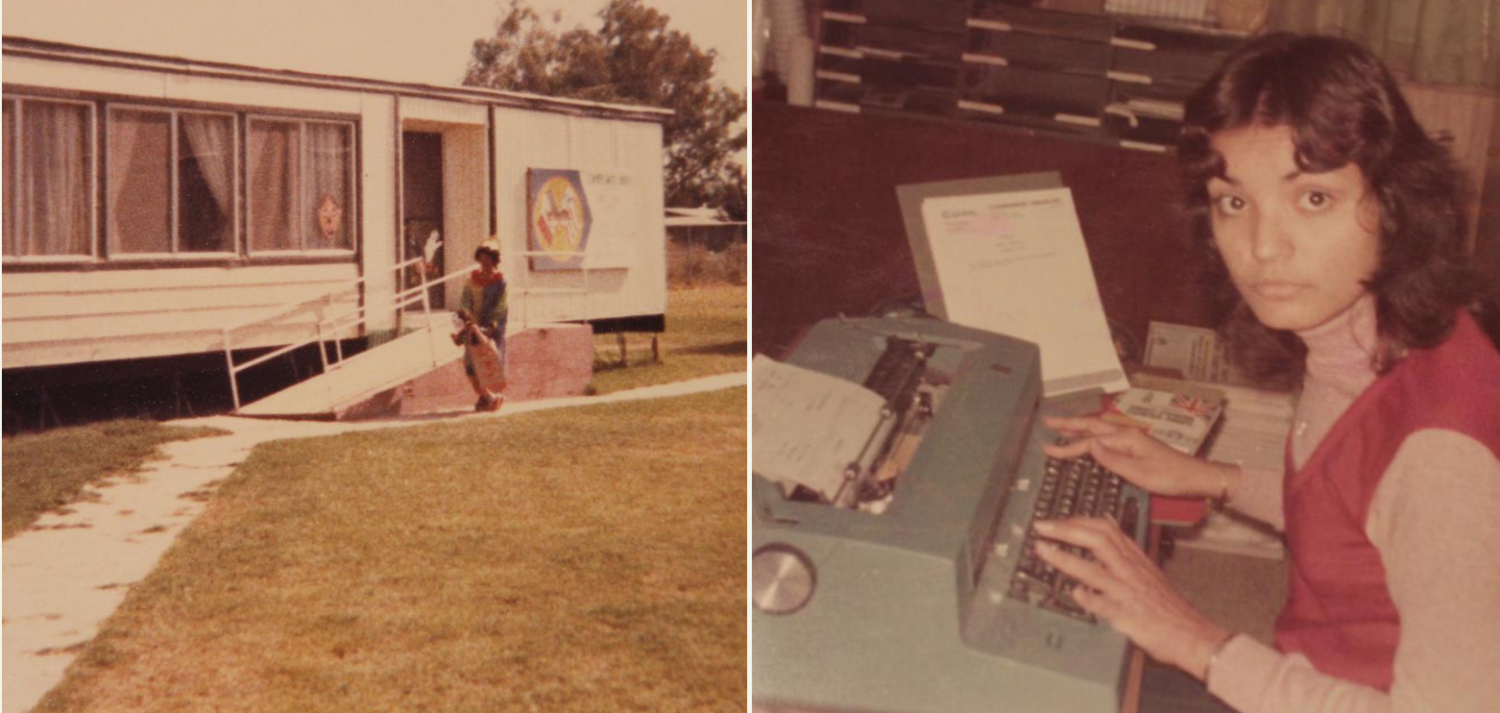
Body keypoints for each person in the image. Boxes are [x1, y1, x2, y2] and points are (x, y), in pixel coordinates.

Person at [1031, 33, 1500, 713]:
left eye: (1313, 199)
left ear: (1393, 205)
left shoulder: (1440, 457)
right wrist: (1212, 480)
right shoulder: (1383, 337)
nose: (1262, 246)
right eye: (1234, 201)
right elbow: (1368, 516)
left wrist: (1199, 641)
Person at [453, 238, 509, 411]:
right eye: (482, 259)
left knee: (489, 364)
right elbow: (465, 301)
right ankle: (487, 397)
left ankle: (489, 397)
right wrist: (467, 316)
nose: (484, 263)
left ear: (494, 261)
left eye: (488, 260)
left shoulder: (501, 282)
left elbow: (501, 306)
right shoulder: (472, 281)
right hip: (473, 329)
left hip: (490, 330)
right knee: (471, 366)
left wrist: (491, 326)